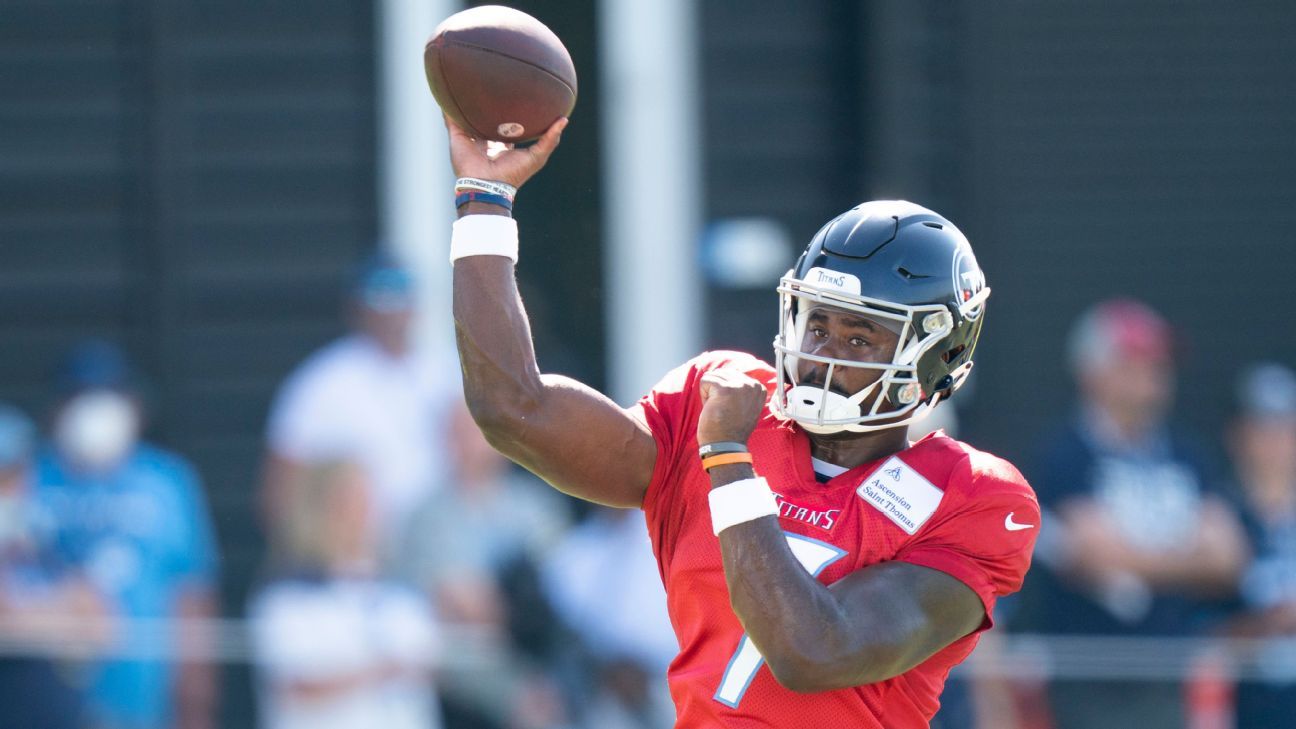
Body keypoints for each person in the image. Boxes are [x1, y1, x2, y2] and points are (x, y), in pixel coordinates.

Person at [440, 116, 1039, 728]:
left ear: (937, 354)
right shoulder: (720, 393)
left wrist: (727, 458)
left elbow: (813, 650)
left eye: (860, 337)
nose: (823, 353)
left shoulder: (975, 498)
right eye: (817, 323)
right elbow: (512, 410)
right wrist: (486, 199)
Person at [1019, 299, 1249, 729]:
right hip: (1089, 674)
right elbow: (1093, 557)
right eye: (1135, 362)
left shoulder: (1188, 453)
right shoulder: (1064, 455)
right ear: (1092, 370)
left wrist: (1133, 557)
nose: (1153, 375)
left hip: (1171, 672)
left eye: (1158, 363)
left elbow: (1230, 558)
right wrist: (1187, 553)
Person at [36, 340, 220, 729]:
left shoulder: (167, 481)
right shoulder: (28, 478)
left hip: (141, 700)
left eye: (108, 395)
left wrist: (195, 706)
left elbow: (191, 593)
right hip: (40, 698)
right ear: (58, 408)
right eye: (82, 396)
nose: (95, 410)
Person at [262, 256, 455, 565]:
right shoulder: (321, 381)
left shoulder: (446, 373)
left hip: (436, 556)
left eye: (399, 298)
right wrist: (307, 560)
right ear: (357, 307)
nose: (391, 312)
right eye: (380, 300)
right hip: (351, 560)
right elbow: (280, 485)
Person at [399, 399, 572, 729]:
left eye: (474, 433)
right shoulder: (424, 517)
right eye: (456, 434)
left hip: (535, 658)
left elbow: (555, 596)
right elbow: (441, 601)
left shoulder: (536, 508)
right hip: (455, 665)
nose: (465, 444)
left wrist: (498, 605)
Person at [250, 460, 442, 729]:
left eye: (366, 503)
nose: (360, 516)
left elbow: (431, 666)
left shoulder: (402, 592)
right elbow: (298, 684)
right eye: (347, 503)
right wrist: (381, 670)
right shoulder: (287, 595)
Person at [0, 403, 112, 729]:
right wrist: (58, 621)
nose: (12, 488)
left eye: (17, 473)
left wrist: (33, 621)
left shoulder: (40, 541)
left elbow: (99, 622)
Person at [1223, 362, 1296, 729]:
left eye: (1285, 428)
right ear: (1238, 435)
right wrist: (1264, 625)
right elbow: (1192, 632)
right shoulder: (1218, 517)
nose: (1276, 441)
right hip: (1243, 707)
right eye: (1262, 428)